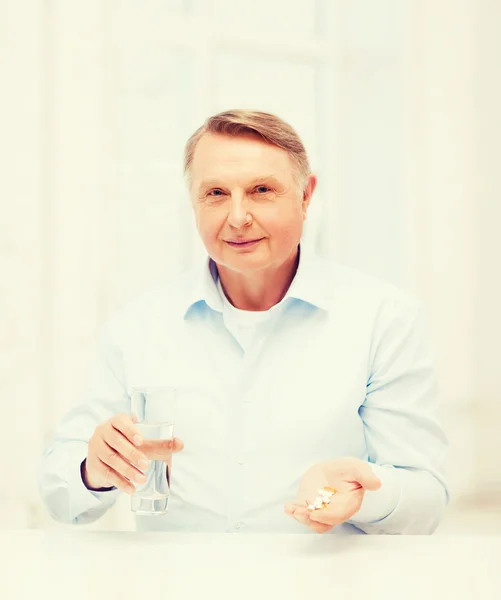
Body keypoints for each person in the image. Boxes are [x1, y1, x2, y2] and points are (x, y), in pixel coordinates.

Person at [37, 109, 449, 535]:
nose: (237, 217)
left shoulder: (383, 319)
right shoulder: (138, 326)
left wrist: (365, 496)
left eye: (261, 190)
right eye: (215, 193)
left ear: (306, 196)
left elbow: (427, 500)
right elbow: (59, 491)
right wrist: (92, 470)